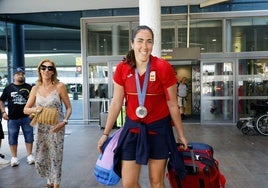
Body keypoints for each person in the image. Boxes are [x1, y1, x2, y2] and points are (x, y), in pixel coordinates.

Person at [97, 25, 188, 188]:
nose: (144, 47)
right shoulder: (122, 68)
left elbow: (172, 104)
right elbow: (116, 102)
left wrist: (180, 134)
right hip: (132, 130)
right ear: (132, 43)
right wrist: (105, 133)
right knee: (129, 183)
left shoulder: (163, 67)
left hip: (158, 130)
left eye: (149, 42)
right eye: (140, 41)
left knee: (156, 182)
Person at [23, 59, 72, 188]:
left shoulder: (60, 86)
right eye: (43, 68)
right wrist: (35, 109)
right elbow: (26, 109)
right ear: (39, 70)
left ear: (53, 72)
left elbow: (69, 108)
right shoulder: (35, 88)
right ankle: (49, 180)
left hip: (56, 127)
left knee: (55, 156)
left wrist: (64, 122)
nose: (46, 70)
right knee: (40, 158)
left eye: (50, 68)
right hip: (40, 127)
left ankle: (55, 184)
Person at [0, 68, 35, 167]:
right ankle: (14, 158)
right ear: (14, 76)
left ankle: (29, 156)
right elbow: (1, 100)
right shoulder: (8, 88)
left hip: (26, 117)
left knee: (29, 136)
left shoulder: (29, 87)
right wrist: (3, 112)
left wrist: (33, 113)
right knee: (12, 138)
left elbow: (35, 100)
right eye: (18, 74)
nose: (21, 76)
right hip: (12, 118)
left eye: (22, 74)